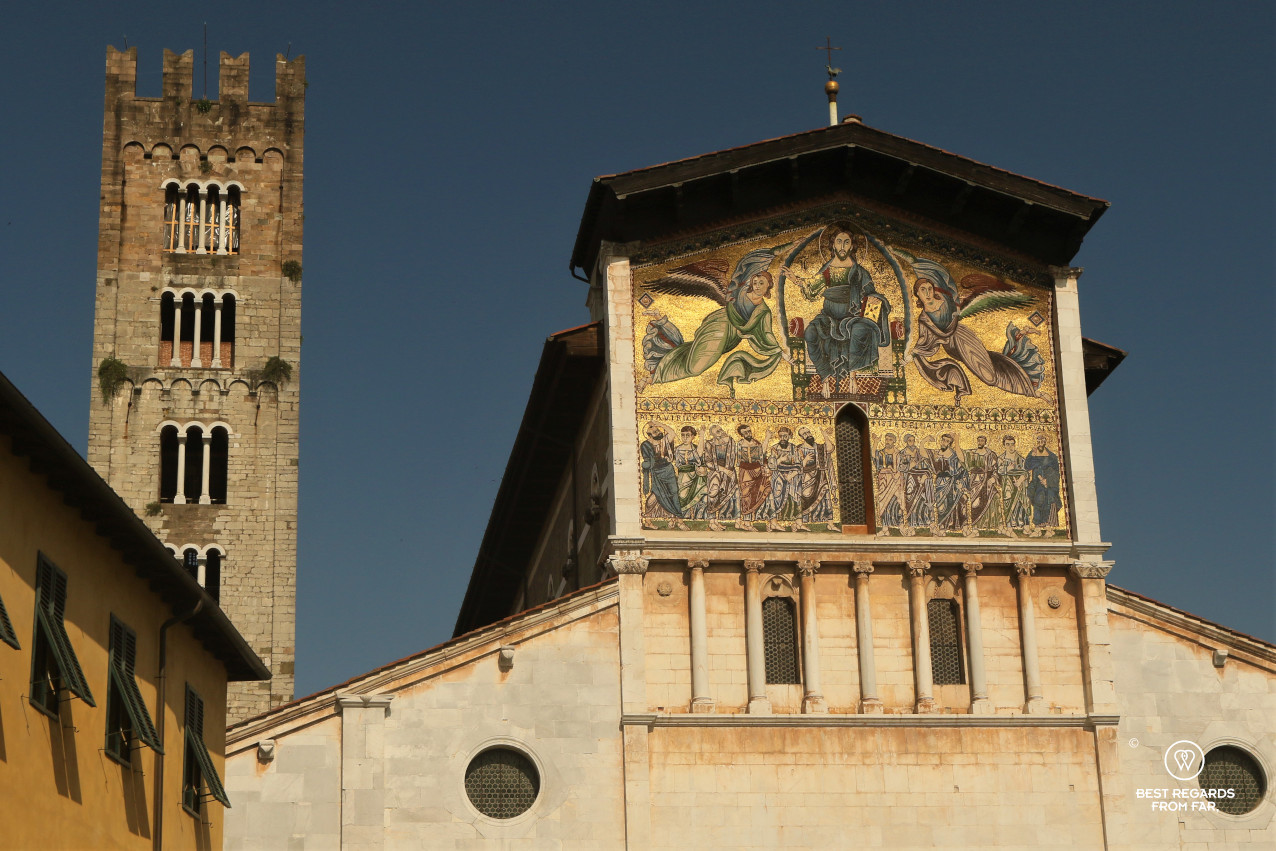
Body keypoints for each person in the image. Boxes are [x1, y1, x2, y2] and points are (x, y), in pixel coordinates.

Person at [783, 223, 891, 398]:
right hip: (829, 317)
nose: (842, 246)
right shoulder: (827, 270)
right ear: (833, 245)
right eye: (839, 242)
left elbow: (871, 292)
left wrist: (875, 298)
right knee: (811, 333)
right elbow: (813, 286)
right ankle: (825, 378)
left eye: (846, 242)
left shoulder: (859, 272)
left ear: (852, 246)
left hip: (852, 317)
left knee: (860, 330)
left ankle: (853, 377)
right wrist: (796, 280)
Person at [640, 271, 791, 395]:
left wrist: (780, 352)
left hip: (730, 338)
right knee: (695, 367)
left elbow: (767, 334)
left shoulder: (764, 311)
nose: (757, 286)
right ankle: (654, 378)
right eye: (755, 282)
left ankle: (661, 324)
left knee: (691, 353)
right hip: (720, 325)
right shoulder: (740, 294)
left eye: (761, 283)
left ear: (768, 286)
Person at [909, 258, 1038, 403]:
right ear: (917, 293)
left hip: (962, 337)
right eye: (923, 290)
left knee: (988, 377)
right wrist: (913, 354)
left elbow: (953, 298)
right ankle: (1026, 389)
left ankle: (1025, 389)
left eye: (929, 289)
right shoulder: (924, 318)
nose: (927, 293)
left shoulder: (945, 303)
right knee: (988, 368)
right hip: (951, 348)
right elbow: (925, 341)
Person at [640, 423, 685, 530]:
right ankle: (648, 521)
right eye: (655, 432)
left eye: (658, 430)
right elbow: (647, 460)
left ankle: (679, 520)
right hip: (657, 473)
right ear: (649, 435)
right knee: (655, 494)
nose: (658, 432)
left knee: (674, 494)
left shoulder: (664, 441)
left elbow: (672, 433)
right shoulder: (646, 445)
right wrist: (647, 464)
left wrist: (658, 424)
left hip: (668, 471)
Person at [699, 424, 739, 531]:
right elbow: (708, 462)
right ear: (713, 434)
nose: (721, 432)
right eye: (717, 431)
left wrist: (728, 471)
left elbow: (734, 456)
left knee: (734, 494)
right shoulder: (709, 444)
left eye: (721, 429)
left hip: (730, 472)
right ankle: (712, 522)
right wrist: (723, 470)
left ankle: (723, 521)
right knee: (713, 494)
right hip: (716, 472)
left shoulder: (730, 441)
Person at [795, 426, 835, 530]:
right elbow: (796, 466)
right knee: (804, 498)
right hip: (806, 479)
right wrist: (805, 460)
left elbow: (830, 449)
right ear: (801, 437)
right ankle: (801, 522)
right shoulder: (799, 449)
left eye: (808, 432)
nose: (807, 435)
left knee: (826, 497)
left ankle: (830, 523)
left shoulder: (819, 447)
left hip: (820, 477)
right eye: (804, 434)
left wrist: (825, 435)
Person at [764, 427, 803, 531]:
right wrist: (780, 459)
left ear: (789, 436)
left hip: (792, 477)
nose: (782, 438)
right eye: (780, 436)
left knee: (794, 496)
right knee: (776, 496)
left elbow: (799, 465)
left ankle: (795, 523)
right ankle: (773, 522)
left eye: (785, 436)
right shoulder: (774, 448)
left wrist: (791, 475)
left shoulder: (794, 449)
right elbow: (771, 465)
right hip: (778, 476)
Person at [930, 433, 970, 532]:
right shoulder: (936, 453)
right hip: (940, 482)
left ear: (950, 443)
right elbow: (933, 468)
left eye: (947, 441)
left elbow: (962, 461)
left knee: (956, 499)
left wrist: (957, 442)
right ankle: (940, 525)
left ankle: (952, 525)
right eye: (943, 440)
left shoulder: (953, 454)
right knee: (940, 503)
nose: (944, 442)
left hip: (952, 482)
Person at [735, 424, 771, 530]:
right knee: (746, 495)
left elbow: (762, 454)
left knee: (757, 493)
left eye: (749, 431)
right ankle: (746, 522)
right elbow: (737, 459)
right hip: (745, 471)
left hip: (757, 471)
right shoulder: (739, 444)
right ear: (741, 434)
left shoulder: (757, 443)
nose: (748, 433)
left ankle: (754, 520)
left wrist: (767, 438)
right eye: (745, 432)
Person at [1024, 432, 1062, 533]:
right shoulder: (1033, 454)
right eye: (1038, 441)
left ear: (1045, 442)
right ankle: (1037, 528)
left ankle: (1048, 528)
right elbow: (1027, 466)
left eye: (1042, 441)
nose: (1040, 443)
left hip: (1048, 485)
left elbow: (1056, 473)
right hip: (1036, 484)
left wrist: (1048, 481)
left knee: (1049, 501)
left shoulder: (1051, 457)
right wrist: (1031, 456)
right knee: (1037, 501)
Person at [965, 434, 1003, 532]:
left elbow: (996, 469)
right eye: (979, 440)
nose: (980, 442)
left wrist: (993, 478)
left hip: (988, 481)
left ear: (985, 442)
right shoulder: (972, 453)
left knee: (995, 497)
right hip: (975, 481)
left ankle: (993, 524)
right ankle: (975, 525)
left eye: (982, 441)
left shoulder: (991, 454)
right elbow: (966, 465)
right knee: (975, 502)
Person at [898, 433, 933, 532]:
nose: (912, 442)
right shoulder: (902, 453)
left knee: (921, 499)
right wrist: (910, 465)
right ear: (906, 441)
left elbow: (926, 462)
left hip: (920, 477)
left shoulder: (918, 451)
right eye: (910, 440)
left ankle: (922, 521)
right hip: (909, 477)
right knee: (910, 497)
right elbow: (900, 467)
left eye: (913, 440)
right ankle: (910, 521)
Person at [673, 426, 708, 521]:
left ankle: (696, 515)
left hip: (695, 475)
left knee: (701, 492)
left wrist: (702, 436)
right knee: (682, 495)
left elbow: (699, 455)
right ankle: (682, 517)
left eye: (688, 435)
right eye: (683, 435)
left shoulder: (696, 448)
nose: (685, 438)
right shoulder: (677, 449)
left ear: (693, 436)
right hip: (683, 477)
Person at [997, 435, 1030, 534]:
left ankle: (1025, 526)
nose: (1010, 447)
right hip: (1007, 485)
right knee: (1008, 504)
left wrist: (1020, 480)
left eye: (1012, 444)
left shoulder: (1020, 459)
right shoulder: (1001, 458)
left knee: (1022, 503)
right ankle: (1009, 526)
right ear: (1004, 445)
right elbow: (999, 471)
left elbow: (1026, 472)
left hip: (1020, 485)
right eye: (1008, 444)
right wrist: (1007, 469)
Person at [873, 432, 905, 531]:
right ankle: (885, 528)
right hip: (884, 480)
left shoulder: (898, 454)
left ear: (894, 441)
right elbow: (873, 456)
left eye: (890, 439)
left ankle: (900, 525)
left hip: (895, 480)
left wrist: (897, 473)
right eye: (886, 439)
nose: (888, 441)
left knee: (896, 502)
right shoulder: (881, 453)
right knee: (884, 502)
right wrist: (875, 442)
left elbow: (903, 466)